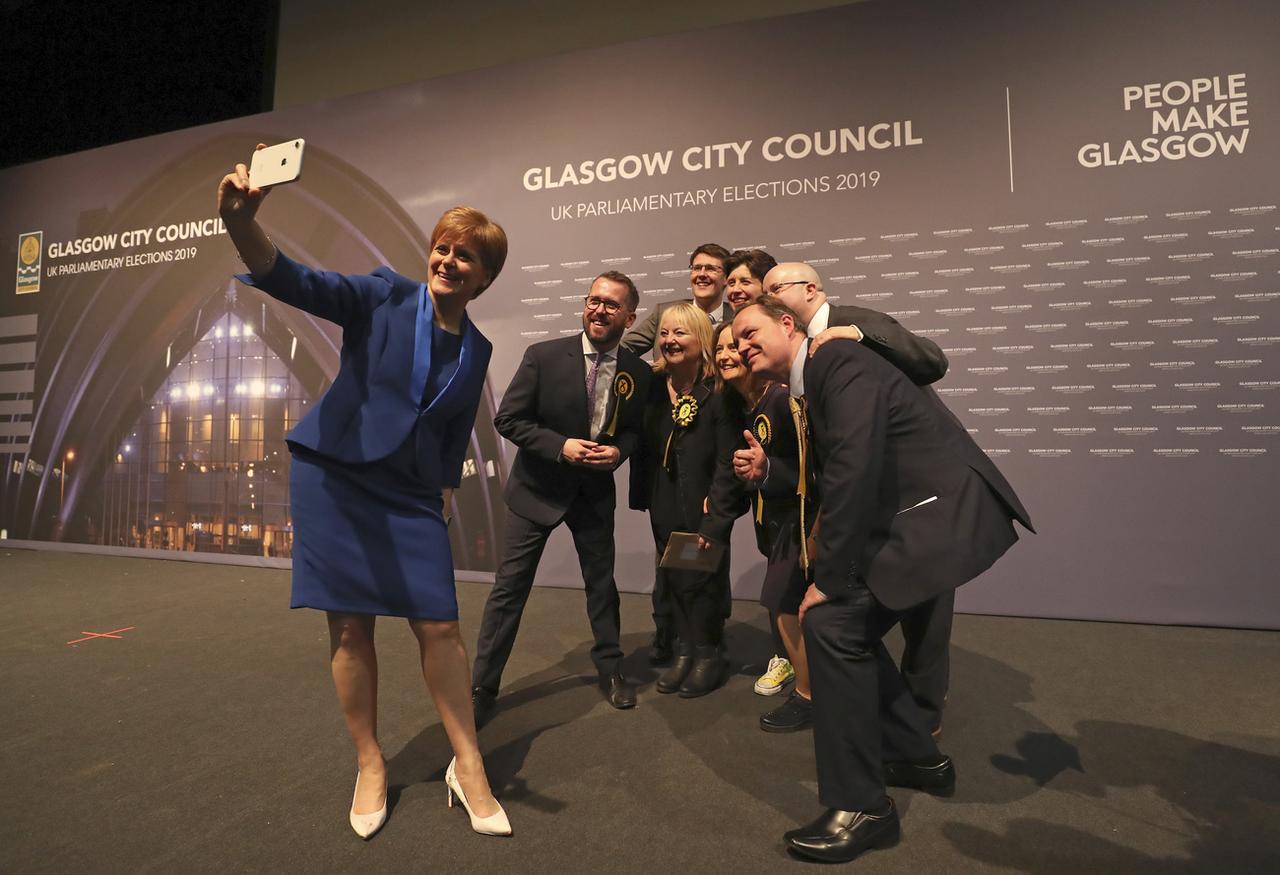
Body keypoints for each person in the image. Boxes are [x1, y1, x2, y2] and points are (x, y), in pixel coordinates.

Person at [218, 147, 511, 839]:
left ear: (485, 277)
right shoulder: (386, 294)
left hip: (410, 495)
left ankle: (467, 763)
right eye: (442, 248)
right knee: (349, 624)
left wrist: (443, 488)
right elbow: (292, 279)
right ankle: (370, 760)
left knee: (439, 623)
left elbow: (453, 427)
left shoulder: (478, 350)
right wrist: (240, 223)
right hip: (337, 478)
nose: (446, 261)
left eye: (464, 257)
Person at [732, 297, 1032, 863]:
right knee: (841, 630)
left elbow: (853, 466)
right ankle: (916, 755)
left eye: (750, 331)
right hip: (920, 517)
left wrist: (832, 577)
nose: (741, 345)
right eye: (734, 342)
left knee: (831, 622)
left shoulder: (834, 361)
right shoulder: (812, 377)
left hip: (936, 515)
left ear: (788, 323)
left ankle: (863, 805)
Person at [764, 261, 953, 734]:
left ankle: (924, 726)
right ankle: (890, 719)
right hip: (864, 493)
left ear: (810, 290)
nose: (764, 299)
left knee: (927, 615)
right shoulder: (793, 360)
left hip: (918, 490)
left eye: (774, 289)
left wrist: (860, 337)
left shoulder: (856, 320)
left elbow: (933, 360)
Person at [470, 271, 651, 725]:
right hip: (536, 491)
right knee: (509, 591)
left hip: (592, 494)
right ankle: (482, 686)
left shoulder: (639, 371)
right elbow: (508, 419)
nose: (599, 310)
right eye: (593, 300)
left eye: (611, 305)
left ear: (629, 317)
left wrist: (619, 451)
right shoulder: (544, 356)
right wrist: (560, 446)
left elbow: (635, 430)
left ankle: (611, 670)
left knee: (601, 587)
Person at [629, 303, 741, 697]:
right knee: (674, 576)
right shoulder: (652, 389)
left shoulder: (720, 391)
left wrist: (718, 506)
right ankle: (684, 650)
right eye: (664, 334)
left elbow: (728, 460)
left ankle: (708, 654)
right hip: (663, 500)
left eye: (680, 333)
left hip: (705, 504)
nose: (669, 341)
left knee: (703, 579)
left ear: (702, 340)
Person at [620, 243, 732, 358]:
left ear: (726, 278)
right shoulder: (664, 312)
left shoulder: (736, 317)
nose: (702, 274)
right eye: (696, 268)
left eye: (710, 269)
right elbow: (624, 349)